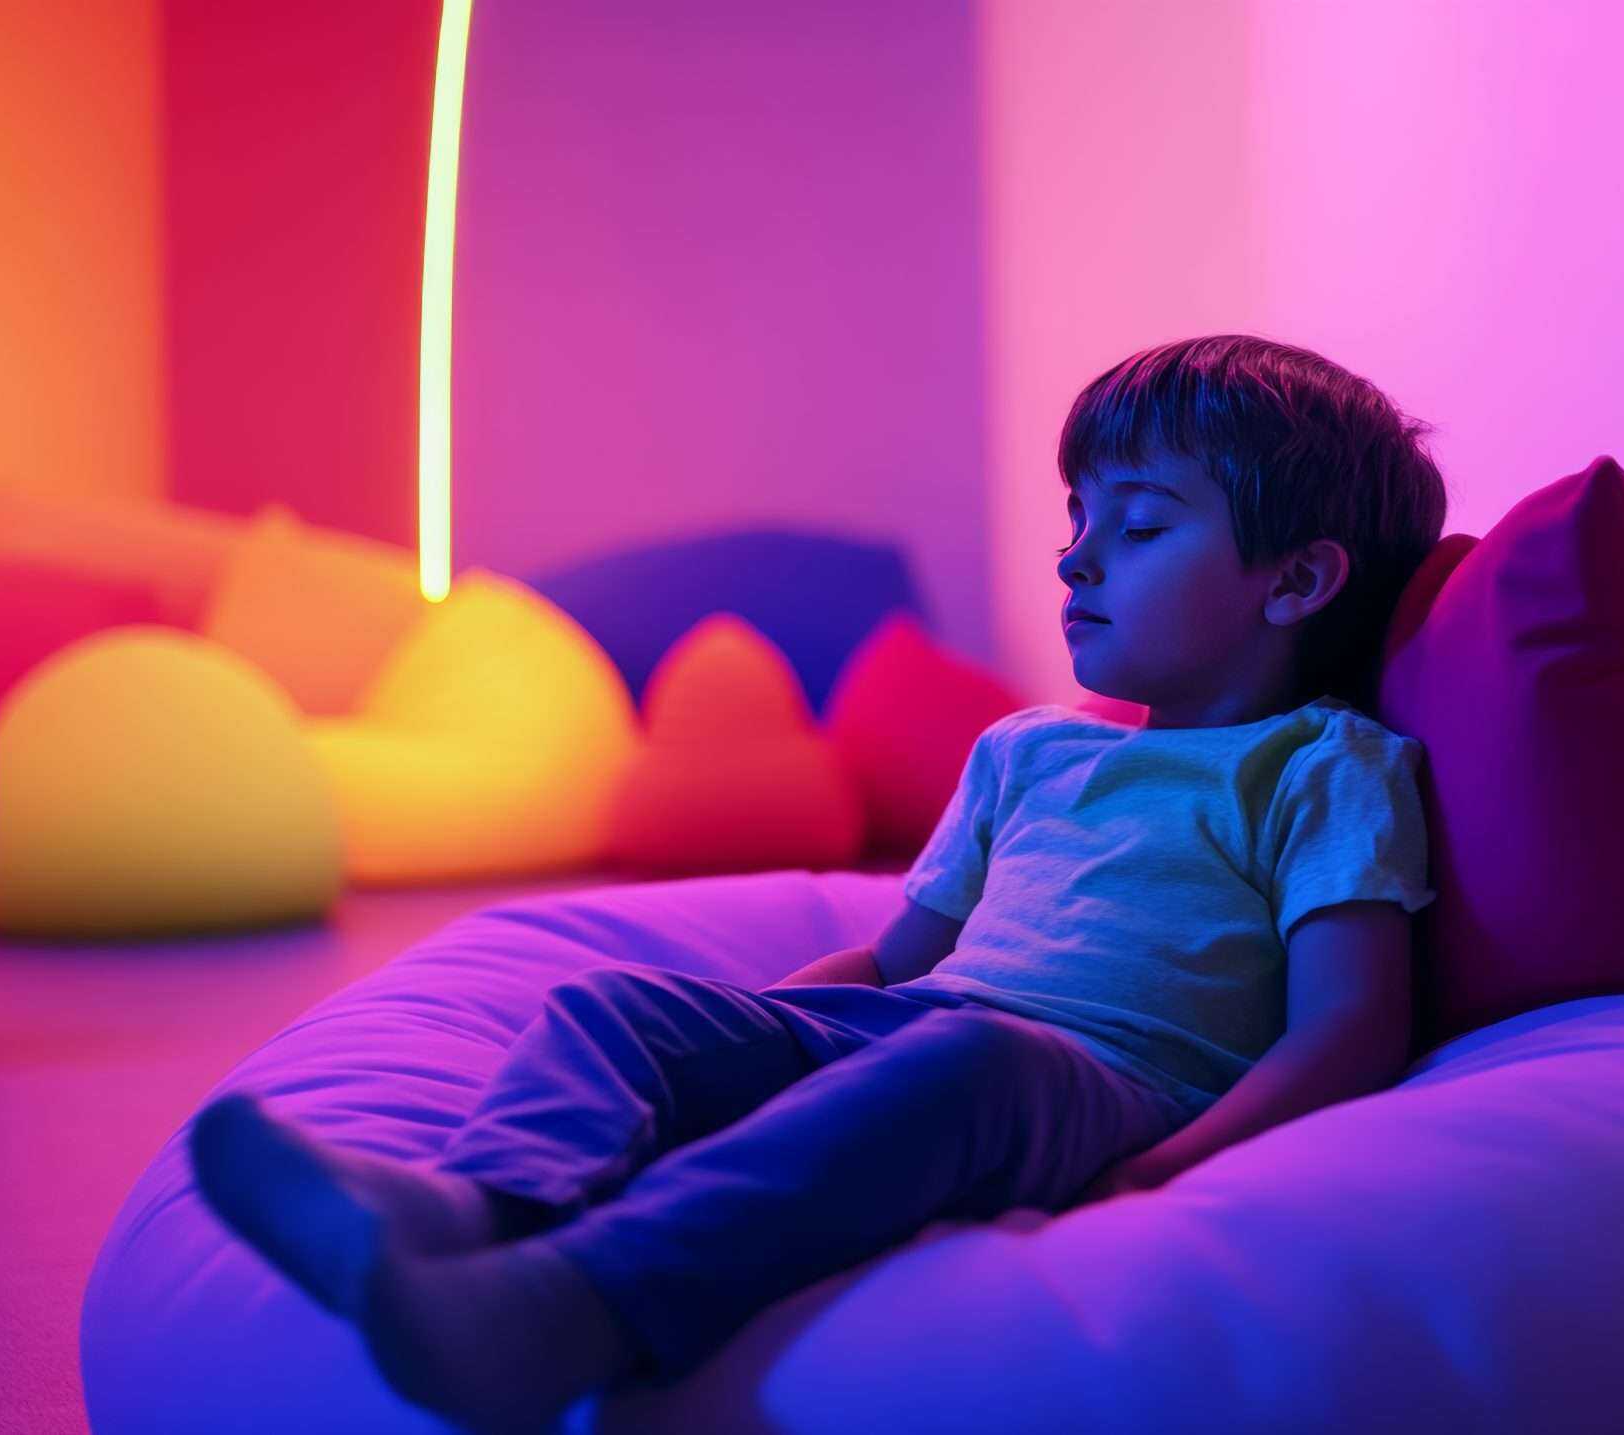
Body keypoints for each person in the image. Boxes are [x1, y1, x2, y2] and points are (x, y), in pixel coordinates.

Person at [188, 332, 1448, 1433]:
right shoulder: (1028, 749)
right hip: (922, 1027)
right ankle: (480, 1212)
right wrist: (762, 1044)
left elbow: (1349, 1022)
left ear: (1294, 580)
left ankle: (566, 1314)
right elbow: (897, 963)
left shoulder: (1322, 764)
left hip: (1096, 1082)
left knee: (959, 1062)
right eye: (1075, 517)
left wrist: (1174, 1164)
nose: (1075, 559)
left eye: (1140, 525)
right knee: (620, 1007)